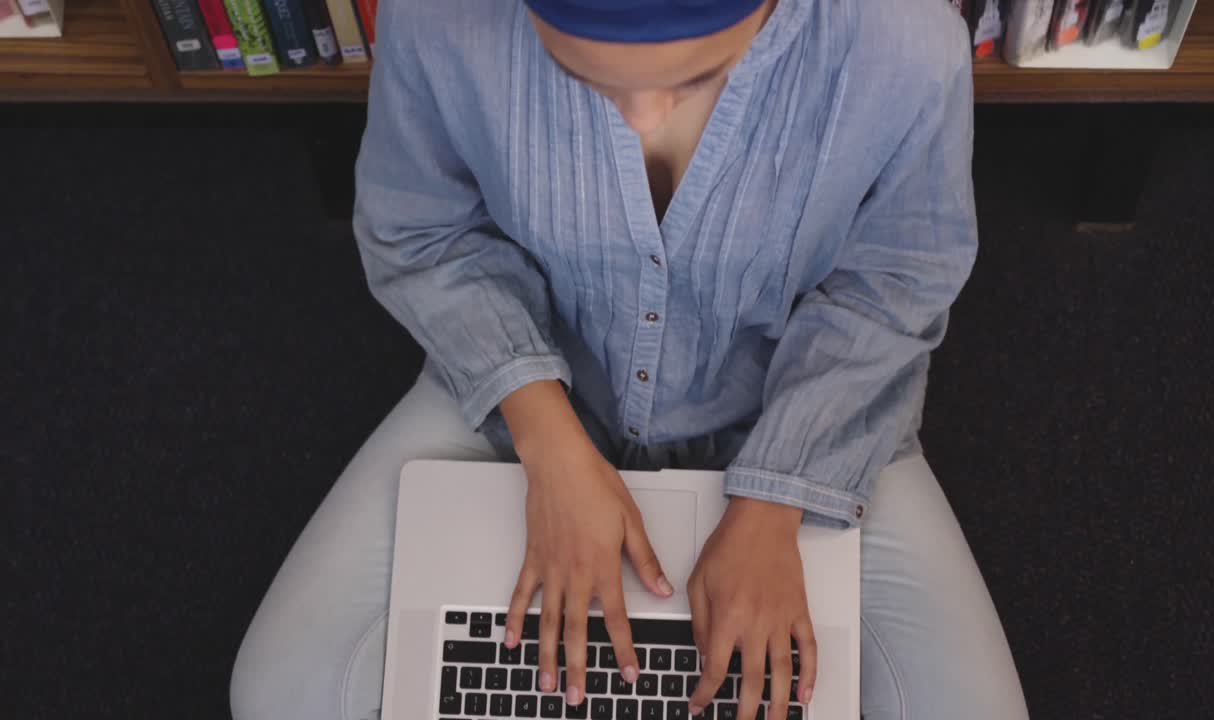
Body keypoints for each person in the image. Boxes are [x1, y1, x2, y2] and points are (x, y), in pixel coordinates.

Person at [229, 0, 1030, 719]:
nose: (644, 121)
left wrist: (777, 500)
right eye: (577, 73)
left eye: (702, 75)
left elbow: (896, 280)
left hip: (794, 400)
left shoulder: (907, 40)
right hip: (530, 376)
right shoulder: (438, 18)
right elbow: (421, 233)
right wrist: (547, 438)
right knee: (282, 690)